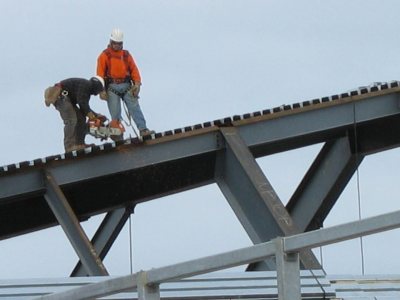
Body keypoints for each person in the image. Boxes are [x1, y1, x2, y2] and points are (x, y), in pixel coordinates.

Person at [96, 28, 153, 139]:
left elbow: (134, 70)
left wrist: (137, 84)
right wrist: (101, 90)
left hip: (127, 86)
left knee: (134, 107)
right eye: (115, 43)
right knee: (115, 113)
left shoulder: (126, 55)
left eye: (119, 43)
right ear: (111, 42)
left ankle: (143, 129)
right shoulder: (104, 56)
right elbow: (100, 74)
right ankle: (118, 136)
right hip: (112, 88)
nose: (117, 46)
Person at [44, 76, 106, 152]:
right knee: (71, 120)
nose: (97, 94)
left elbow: (84, 106)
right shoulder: (86, 85)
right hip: (60, 97)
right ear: (97, 86)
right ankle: (69, 146)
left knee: (81, 119)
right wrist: (93, 116)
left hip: (66, 99)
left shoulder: (86, 87)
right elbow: (82, 103)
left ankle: (79, 144)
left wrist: (95, 115)